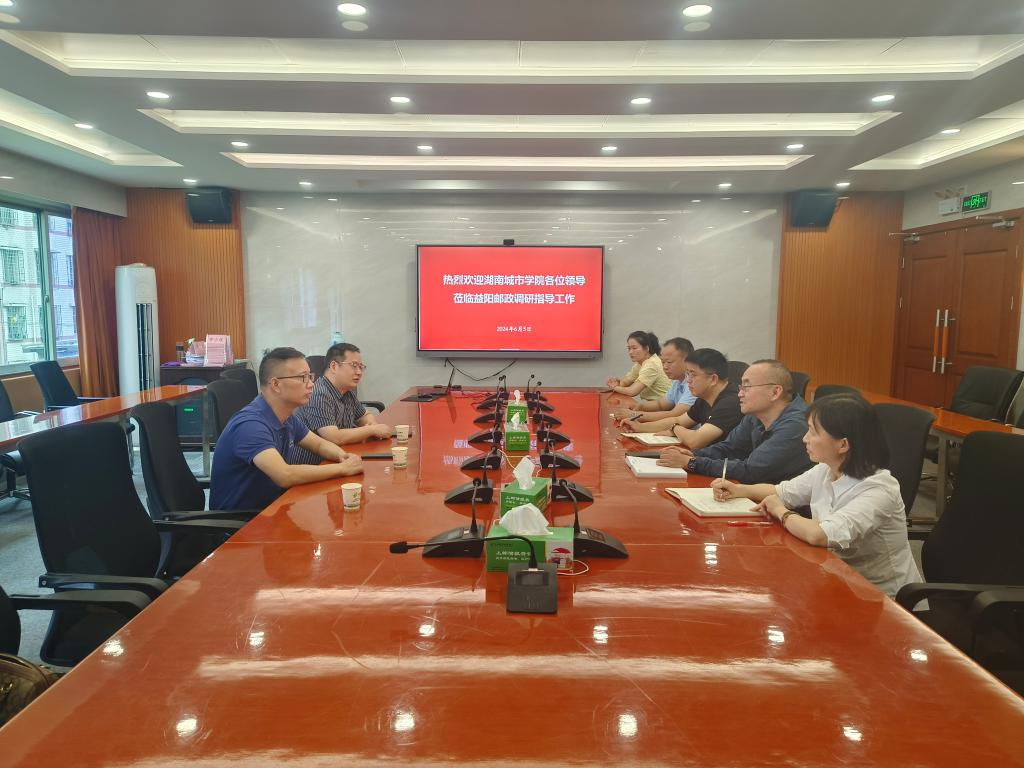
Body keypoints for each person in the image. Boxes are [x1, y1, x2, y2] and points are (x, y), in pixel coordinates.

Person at [710, 395, 921, 598]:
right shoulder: (825, 469)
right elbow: (781, 491)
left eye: (813, 432)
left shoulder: (878, 489)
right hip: (834, 578)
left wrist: (781, 512)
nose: (805, 438)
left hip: (882, 598)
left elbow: (819, 535)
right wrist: (740, 490)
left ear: (843, 445)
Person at [210, 347, 363, 511]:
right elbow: (285, 475)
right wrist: (342, 468)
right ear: (276, 384)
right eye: (303, 377)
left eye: (310, 376)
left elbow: (319, 445)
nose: (311, 384)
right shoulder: (251, 425)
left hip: (274, 506)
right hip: (243, 520)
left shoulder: (286, 418)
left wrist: (344, 457)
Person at [657, 359, 813, 482]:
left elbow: (751, 471)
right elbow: (730, 448)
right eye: (740, 387)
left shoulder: (796, 425)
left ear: (775, 392)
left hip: (787, 505)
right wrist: (693, 454)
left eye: (747, 387)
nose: (739, 394)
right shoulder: (755, 414)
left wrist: (691, 462)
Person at [290, 342, 392, 464]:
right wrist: (372, 430)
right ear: (334, 366)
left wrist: (371, 424)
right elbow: (333, 437)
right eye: (354, 366)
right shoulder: (319, 393)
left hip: (338, 458)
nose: (359, 372)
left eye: (361, 367)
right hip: (312, 466)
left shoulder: (347, 391)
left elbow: (364, 415)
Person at [625, 347, 740, 449]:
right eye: (687, 374)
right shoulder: (704, 398)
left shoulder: (730, 402)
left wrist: (675, 429)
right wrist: (639, 427)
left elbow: (695, 441)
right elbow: (678, 420)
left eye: (693, 374)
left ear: (713, 379)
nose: (688, 380)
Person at [612, 337, 696, 427]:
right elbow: (661, 404)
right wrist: (640, 406)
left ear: (687, 361)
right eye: (663, 362)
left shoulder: (693, 384)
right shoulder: (677, 381)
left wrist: (634, 415)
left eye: (669, 362)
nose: (665, 367)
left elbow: (675, 414)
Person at [605, 330, 670, 401]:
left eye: (634, 348)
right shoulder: (640, 363)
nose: (630, 352)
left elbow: (632, 391)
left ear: (646, 348)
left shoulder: (652, 364)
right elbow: (625, 382)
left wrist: (614, 387)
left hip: (665, 405)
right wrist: (617, 383)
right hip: (654, 404)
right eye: (629, 348)